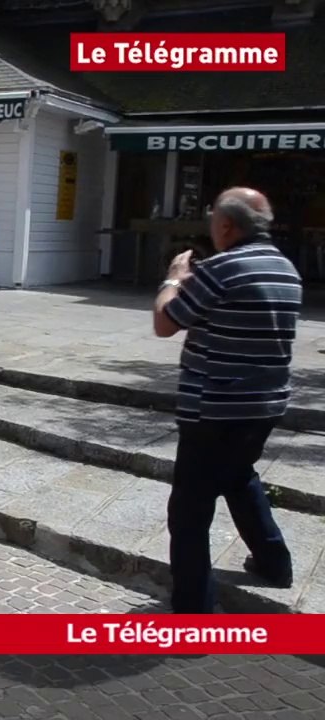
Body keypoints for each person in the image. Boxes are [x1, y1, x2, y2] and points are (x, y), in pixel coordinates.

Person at [153, 186, 301, 614]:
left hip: (214, 407)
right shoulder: (286, 269)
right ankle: (275, 563)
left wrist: (173, 279)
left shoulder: (219, 269)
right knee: (239, 477)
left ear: (225, 225)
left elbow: (166, 322)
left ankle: (193, 608)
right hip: (266, 403)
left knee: (189, 511)